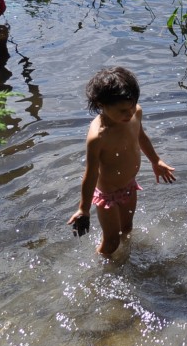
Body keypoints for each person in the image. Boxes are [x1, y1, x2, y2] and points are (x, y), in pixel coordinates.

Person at [68, 67, 176, 256]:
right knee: (111, 241)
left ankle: (125, 260)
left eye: (132, 106)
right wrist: (83, 209)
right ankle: (102, 270)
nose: (129, 113)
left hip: (129, 186)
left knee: (127, 229)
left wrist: (156, 161)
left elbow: (140, 136)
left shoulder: (135, 114)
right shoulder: (98, 136)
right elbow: (91, 173)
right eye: (122, 110)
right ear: (101, 104)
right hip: (107, 195)